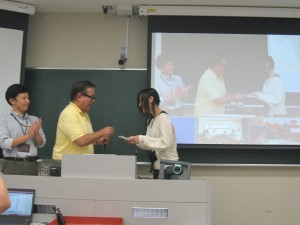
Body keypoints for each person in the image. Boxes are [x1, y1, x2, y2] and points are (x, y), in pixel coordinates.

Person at [52, 80, 114, 160]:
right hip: (67, 165)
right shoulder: (69, 113)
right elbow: (81, 141)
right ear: (79, 96)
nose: (93, 101)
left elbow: (85, 138)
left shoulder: (84, 114)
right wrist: (102, 132)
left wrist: (97, 140)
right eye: (91, 97)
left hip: (79, 164)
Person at [125, 88, 179, 179]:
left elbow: (165, 143)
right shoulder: (151, 120)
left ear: (151, 99)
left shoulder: (164, 118)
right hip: (158, 167)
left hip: (168, 168)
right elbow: (151, 144)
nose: (139, 105)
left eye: (141, 101)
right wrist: (137, 141)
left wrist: (142, 139)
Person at [0, 84, 46, 175]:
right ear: (12, 101)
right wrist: (27, 136)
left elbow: (41, 143)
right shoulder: (4, 120)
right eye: (24, 98)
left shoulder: (34, 119)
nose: (27, 101)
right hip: (12, 164)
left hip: (32, 164)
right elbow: (4, 143)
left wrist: (36, 133)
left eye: (28, 98)